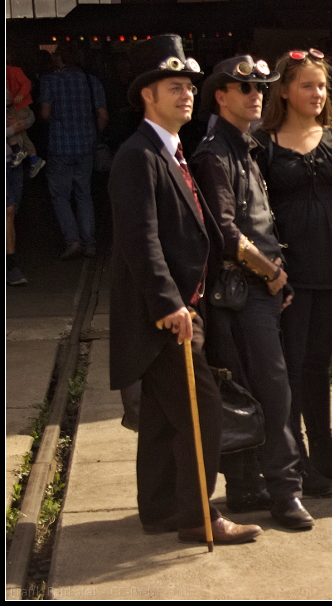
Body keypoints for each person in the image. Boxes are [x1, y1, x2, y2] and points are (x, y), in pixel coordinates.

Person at [107, 34, 261, 544]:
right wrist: (170, 304)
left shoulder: (171, 151)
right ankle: (197, 516)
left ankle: (158, 508)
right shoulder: (139, 155)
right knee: (203, 411)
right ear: (148, 95)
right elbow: (139, 239)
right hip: (165, 315)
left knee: (159, 415)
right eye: (175, 87)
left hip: (182, 309)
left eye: (190, 87)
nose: (187, 95)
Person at [191, 54, 318, 530]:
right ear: (220, 96)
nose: (256, 95)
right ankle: (284, 493)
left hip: (257, 291)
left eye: (261, 88)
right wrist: (269, 273)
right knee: (267, 390)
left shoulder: (242, 146)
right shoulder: (213, 153)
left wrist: (275, 271)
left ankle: (247, 487)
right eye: (244, 89)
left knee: (256, 389)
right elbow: (225, 233)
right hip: (240, 292)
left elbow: (257, 223)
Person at [255, 50, 332, 487]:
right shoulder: (264, 145)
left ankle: (326, 455)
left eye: (321, 86)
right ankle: (295, 458)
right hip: (290, 272)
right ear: (284, 91)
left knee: (319, 366)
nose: (317, 93)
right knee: (291, 365)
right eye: (307, 85)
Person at [37, 44, 108, 260]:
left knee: (60, 196)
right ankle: (89, 243)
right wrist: (94, 134)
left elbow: (45, 114)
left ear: (60, 58)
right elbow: (103, 115)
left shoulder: (50, 81)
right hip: (86, 145)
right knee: (84, 194)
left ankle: (72, 240)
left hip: (60, 145)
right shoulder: (91, 81)